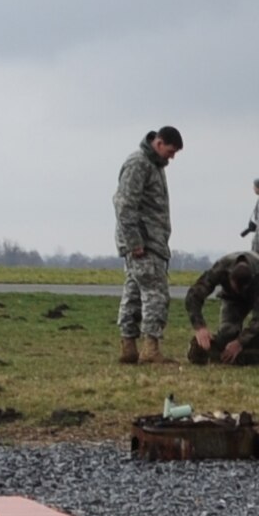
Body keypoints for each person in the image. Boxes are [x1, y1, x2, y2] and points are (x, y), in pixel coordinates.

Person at [114, 125, 183, 365]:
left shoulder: (154, 164)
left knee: (133, 293)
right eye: (171, 151)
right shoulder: (139, 163)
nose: (172, 157)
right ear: (159, 143)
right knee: (156, 294)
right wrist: (135, 242)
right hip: (144, 244)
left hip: (150, 242)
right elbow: (124, 205)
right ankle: (150, 350)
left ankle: (129, 347)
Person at [183, 250, 259, 366]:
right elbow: (194, 295)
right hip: (233, 300)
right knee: (227, 335)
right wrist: (200, 326)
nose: (240, 291)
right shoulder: (222, 267)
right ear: (230, 277)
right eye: (237, 287)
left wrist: (240, 342)